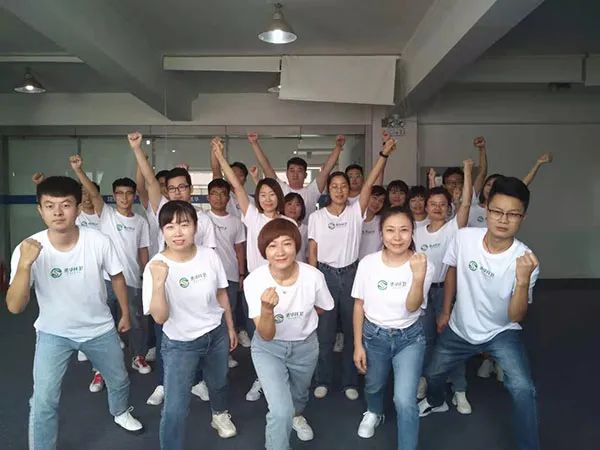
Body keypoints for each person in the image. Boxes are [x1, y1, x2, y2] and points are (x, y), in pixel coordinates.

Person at [7, 176, 144, 449]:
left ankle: (120, 412)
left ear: (78, 208)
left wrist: (125, 313)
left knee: (119, 379)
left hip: (99, 329)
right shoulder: (28, 248)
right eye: (50, 206)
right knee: (44, 399)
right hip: (53, 333)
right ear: (40, 210)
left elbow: (117, 276)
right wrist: (24, 266)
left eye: (66, 205)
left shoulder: (98, 241)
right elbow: (14, 306)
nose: (58, 212)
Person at [419, 176, 541, 450]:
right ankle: (436, 401)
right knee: (433, 373)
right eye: (497, 211)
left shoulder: (525, 260)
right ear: (486, 209)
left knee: (523, 388)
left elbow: (516, 316)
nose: (503, 219)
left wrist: (522, 281)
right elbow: (452, 270)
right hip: (460, 328)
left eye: (513, 214)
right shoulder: (464, 238)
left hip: (501, 332)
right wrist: (446, 311)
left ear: (522, 217)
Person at [143, 200, 238, 449]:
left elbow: (221, 293)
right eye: (170, 226)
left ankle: (219, 415)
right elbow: (159, 318)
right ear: (162, 231)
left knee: (219, 383)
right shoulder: (156, 266)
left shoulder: (209, 255)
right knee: (175, 406)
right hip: (180, 343)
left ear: (195, 227)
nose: (178, 232)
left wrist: (229, 327)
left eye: (184, 224)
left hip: (215, 334)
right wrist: (159, 283)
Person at [308, 136, 397, 400]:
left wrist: (384, 154)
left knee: (351, 331)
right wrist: (313, 284)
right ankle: (322, 379)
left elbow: (370, 182)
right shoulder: (316, 217)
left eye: (343, 186)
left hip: (351, 274)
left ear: (349, 190)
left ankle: (349, 382)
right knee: (324, 334)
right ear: (328, 190)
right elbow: (312, 252)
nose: (339, 190)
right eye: (334, 186)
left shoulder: (356, 211)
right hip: (324, 275)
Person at [212, 136, 297, 402]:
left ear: (279, 197)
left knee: (284, 333)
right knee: (260, 334)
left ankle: (285, 379)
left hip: (285, 284)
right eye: (262, 195)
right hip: (257, 285)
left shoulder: (289, 223)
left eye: (272, 194)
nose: (268, 199)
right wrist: (220, 157)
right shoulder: (252, 216)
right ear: (257, 198)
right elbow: (237, 186)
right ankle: (263, 379)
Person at [244, 218, 334, 449]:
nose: (280, 251)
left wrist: (302, 315)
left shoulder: (313, 276)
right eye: (272, 245)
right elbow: (265, 334)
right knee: (280, 411)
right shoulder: (254, 280)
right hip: (269, 349)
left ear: (296, 245)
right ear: (264, 251)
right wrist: (267, 310)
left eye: (287, 243)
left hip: (305, 346)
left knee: (299, 396)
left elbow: (323, 306)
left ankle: (297, 416)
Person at [352, 207, 434, 449]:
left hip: (410, 338)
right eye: (390, 230)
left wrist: (417, 277)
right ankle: (374, 411)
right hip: (374, 336)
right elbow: (359, 305)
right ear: (381, 233)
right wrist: (357, 345)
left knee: (405, 400)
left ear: (412, 232)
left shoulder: (423, 264)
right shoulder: (368, 263)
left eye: (404, 230)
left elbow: (412, 307)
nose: (397, 237)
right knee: (374, 384)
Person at [70, 154, 152, 393]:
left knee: (136, 323)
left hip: (132, 282)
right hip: (105, 281)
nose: (125, 198)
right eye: (120, 193)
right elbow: (93, 194)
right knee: (103, 326)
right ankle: (100, 370)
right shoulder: (106, 214)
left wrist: (146, 277)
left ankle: (138, 357)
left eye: (129, 193)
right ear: (114, 196)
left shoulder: (141, 222)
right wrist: (79, 170)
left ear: (134, 196)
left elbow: (143, 252)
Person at [415, 159, 474, 414]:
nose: (437, 208)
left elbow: (467, 203)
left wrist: (468, 172)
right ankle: (428, 381)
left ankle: (460, 390)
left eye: (442, 204)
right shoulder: (416, 232)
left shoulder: (454, 228)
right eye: (433, 204)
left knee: (451, 341)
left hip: (446, 291)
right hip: (423, 293)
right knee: (426, 341)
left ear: (449, 208)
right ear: (426, 207)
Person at [247, 132, 344, 221]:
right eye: (292, 170)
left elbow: (326, 170)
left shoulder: (312, 191)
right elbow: (266, 167)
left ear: (305, 175)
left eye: (299, 171)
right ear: (287, 173)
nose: (295, 174)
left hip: (306, 233)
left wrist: (338, 147)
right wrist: (254, 143)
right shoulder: (280, 188)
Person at [358, 185, 386, 259]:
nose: (377, 203)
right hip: (354, 264)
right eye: (374, 198)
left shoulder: (383, 222)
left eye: (381, 201)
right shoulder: (354, 219)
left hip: (375, 263)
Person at [283, 192, 308, 262]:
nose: (293, 208)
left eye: (297, 205)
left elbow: (309, 255)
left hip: (301, 266)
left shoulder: (306, 229)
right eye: (289, 204)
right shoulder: (276, 226)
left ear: (302, 209)